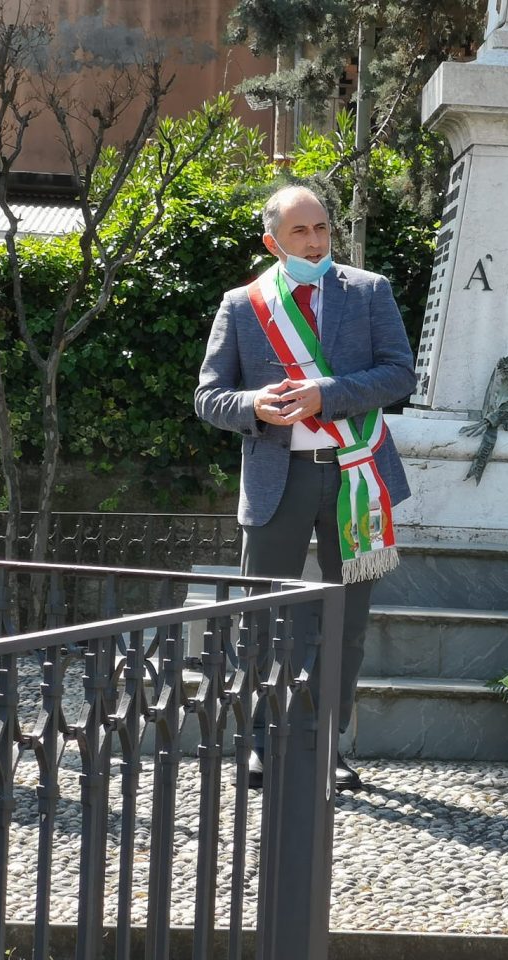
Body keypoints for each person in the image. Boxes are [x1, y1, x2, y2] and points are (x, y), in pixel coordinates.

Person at [195, 184, 416, 791]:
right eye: (301, 232)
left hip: (357, 476)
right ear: (273, 242)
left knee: (346, 623)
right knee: (264, 619)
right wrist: (255, 406)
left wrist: (326, 394)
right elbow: (209, 396)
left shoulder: (369, 292)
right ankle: (263, 743)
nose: (316, 241)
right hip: (277, 481)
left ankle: (324, 747)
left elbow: (399, 373)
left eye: (321, 228)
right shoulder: (242, 305)